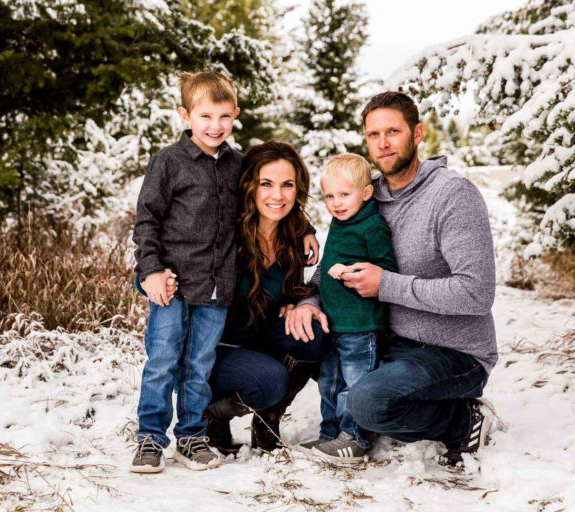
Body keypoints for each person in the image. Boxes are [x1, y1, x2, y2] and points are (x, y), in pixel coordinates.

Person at [286, 91, 498, 465]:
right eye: (373, 134)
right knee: (308, 343)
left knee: (368, 401)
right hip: (387, 340)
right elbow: (335, 264)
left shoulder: (451, 195)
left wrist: (386, 284)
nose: (382, 144)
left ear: (417, 134)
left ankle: (463, 421)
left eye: (393, 132)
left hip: (453, 351)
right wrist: (310, 301)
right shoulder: (368, 196)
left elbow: (476, 292)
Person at [130, 73, 318, 473]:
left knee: (199, 362)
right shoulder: (169, 162)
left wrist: (305, 229)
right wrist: (149, 270)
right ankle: (150, 437)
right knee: (163, 359)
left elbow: (277, 195)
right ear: (185, 115)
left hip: (216, 290)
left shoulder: (237, 165)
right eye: (204, 116)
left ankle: (192, 436)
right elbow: (147, 220)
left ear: (235, 115)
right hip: (173, 284)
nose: (214, 126)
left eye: (223, 116)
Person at [201, 141, 330, 454]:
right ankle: (212, 415)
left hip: (258, 339)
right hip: (213, 352)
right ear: (249, 186)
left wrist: (300, 304)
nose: (278, 195)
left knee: (313, 331)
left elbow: (305, 285)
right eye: (266, 184)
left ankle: (268, 418)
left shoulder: (293, 237)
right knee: (269, 381)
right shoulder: (223, 232)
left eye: (287, 185)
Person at [296, 154, 397, 464]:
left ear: (366, 193)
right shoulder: (341, 222)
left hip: (361, 323)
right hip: (335, 322)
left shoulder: (372, 226)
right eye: (329, 196)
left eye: (344, 195)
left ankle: (354, 437)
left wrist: (355, 271)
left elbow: (385, 269)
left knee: (355, 383)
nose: (336, 203)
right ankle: (331, 434)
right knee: (330, 381)